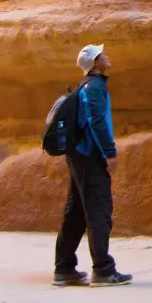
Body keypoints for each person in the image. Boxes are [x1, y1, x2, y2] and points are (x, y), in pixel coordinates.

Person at [53, 44, 133, 287]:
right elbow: (97, 122)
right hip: (90, 156)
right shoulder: (95, 87)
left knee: (76, 211)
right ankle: (103, 270)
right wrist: (109, 153)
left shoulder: (83, 86)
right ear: (96, 63)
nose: (107, 56)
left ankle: (64, 268)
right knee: (99, 209)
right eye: (102, 55)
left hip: (78, 155)